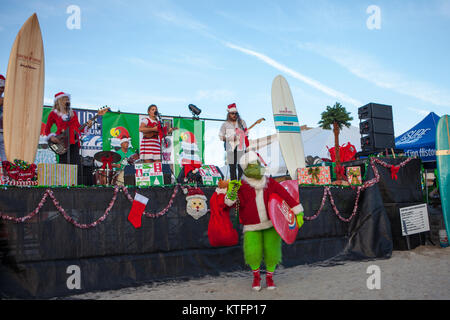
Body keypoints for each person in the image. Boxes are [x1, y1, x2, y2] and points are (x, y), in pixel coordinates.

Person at [221, 151, 304, 291]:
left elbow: (285, 195)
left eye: (256, 164)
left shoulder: (270, 182)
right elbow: (229, 203)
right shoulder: (241, 185)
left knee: (272, 252)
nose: (255, 167)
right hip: (251, 226)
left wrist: (298, 212)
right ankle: (256, 277)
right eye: (251, 165)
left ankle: (270, 277)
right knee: (252, 253)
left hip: (272, 224)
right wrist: (231, 192)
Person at [44, 92, 92, 165]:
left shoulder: (73, 113)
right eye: (65, 99)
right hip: (62, 142)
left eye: (68, 99)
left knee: (75, 164)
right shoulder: (53, 113)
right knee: (63, 165)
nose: (67, 101)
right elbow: (47, 130)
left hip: (74, 141)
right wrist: (51, 137)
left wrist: (88, 126)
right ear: (59, 100)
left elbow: (79, 128)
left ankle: (75, 176)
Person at [219, 103, 248, 180]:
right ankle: (234, 186)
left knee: (241, 167)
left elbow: (246, 135)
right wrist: (230, 138)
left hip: (241, 147)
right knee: (232, 169)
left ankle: (241, 185)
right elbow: (221, 137)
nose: (234, 115)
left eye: (236, 113)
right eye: (232, 113)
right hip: (230, 148)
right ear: (229, 114)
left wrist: (242, 135)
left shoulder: (242, 123)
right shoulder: (225, 124)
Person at [0, 74, 6, 161]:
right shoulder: (4, 99)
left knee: (6, 158)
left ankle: (6, 175)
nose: (2, 90)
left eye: (3, 87)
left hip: (3, 131)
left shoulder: (5, 99)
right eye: (0, 87)